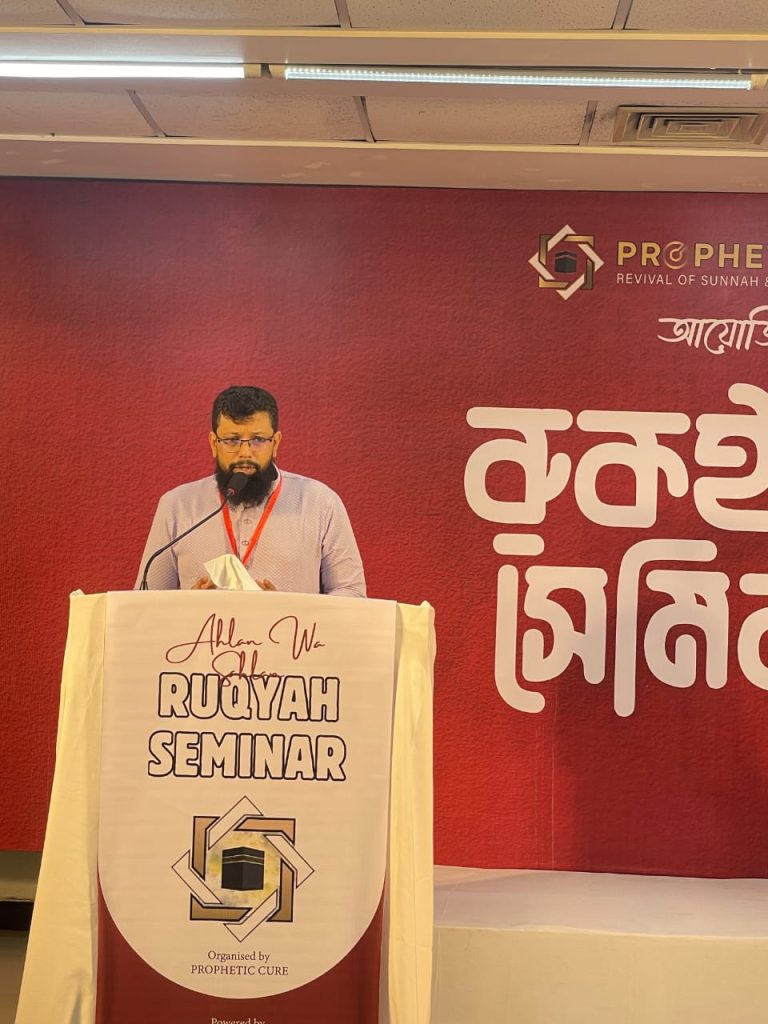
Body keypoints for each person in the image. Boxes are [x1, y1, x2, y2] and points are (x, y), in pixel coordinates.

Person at [136, 385, 366, 596]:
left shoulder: (320, 502)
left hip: (292, 629)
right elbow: (145, 601)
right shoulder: (176, 505)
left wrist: (291, 610)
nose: (245, 453)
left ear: (275, 443)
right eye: (232, 440)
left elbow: (352, 593)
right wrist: (187, 606)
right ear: (213, 444)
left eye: (258, 439)